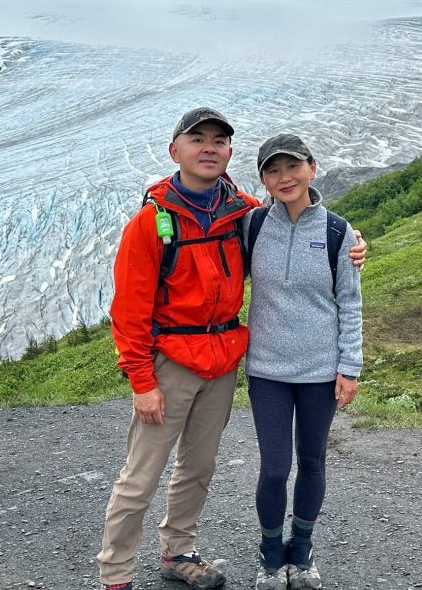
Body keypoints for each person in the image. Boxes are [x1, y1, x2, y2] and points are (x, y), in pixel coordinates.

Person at [97, 109, 365, 590]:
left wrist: (354, 242)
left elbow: (295, 220)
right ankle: (115, 575)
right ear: (174, 150)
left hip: (221, 362)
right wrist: (141, 380)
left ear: (229, 153)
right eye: (197, 139)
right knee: (141, 475)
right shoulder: (152, 222)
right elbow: (129, 310)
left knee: (197, 468)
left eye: (218, 141)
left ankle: (178, 552)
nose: (209, 148)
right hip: (171, 363)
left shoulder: (240, 211)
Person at [244, 133, 363, 590]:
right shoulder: (252, 226)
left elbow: (350, 302)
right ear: (263, 180)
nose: (284, 177)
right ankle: (271, 553)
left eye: (292, 166)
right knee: (275, 468)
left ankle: (303, 549)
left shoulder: (337, 231)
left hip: (319, 371)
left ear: (312, 167)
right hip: (267, 370)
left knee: (312, 462)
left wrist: (350, 366)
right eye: (272, 170)